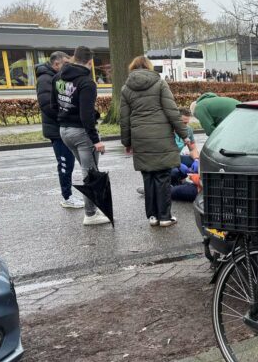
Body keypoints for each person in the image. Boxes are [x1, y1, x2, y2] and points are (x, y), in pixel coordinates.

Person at [120, 55, 188, 227]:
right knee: (163, 177)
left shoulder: (126, 88)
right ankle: (165, 216)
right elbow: (172, 111)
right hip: (161, 136)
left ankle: (152, 216)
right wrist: (184, 134)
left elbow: (124, 118)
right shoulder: (159, 83)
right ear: (149, 67)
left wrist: (127, 142)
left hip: (140, 138)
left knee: (148, 176)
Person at [54, 46, 110, 226]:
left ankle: (92, 210)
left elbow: (52, 104)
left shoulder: (58, 78)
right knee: (91, 173)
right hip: (81, 132)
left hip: (64, 130)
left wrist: (64, 117)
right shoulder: (86, 82)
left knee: (87, 170)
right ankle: (91, 214)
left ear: (73, 58)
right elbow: (86, 115)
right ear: (90, 62)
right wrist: (96, 140)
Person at [35, 51, 84, 209]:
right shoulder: (45, 79)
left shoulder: (58, 77)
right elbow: (47, 105)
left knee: (68, 163)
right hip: (57, 129)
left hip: (62, 126)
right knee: (65, 164)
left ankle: (68, 194)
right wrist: (65, 117)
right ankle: (67, 197)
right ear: (56, 64)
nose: (68, 67)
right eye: (66, 64)